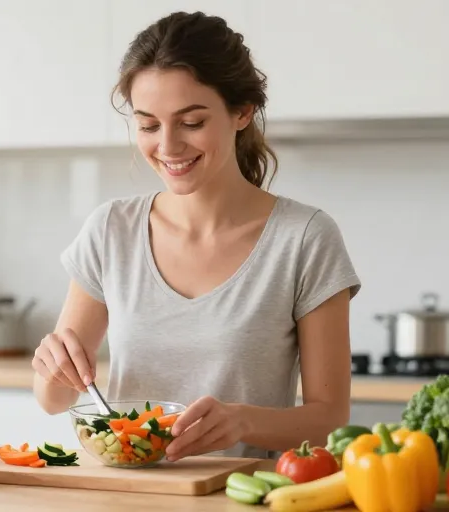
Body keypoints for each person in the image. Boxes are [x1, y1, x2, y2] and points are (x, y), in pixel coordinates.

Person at [30, 11, 361, 462]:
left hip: (241, 494)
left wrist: (243, 421)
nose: (167, 146)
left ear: (242, 112)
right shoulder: (112, 230)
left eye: (191, 122)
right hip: (125, 496)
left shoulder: (304, 238)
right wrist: (53, 368)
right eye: (148, 125)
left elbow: (330, 420)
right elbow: (53, 400)